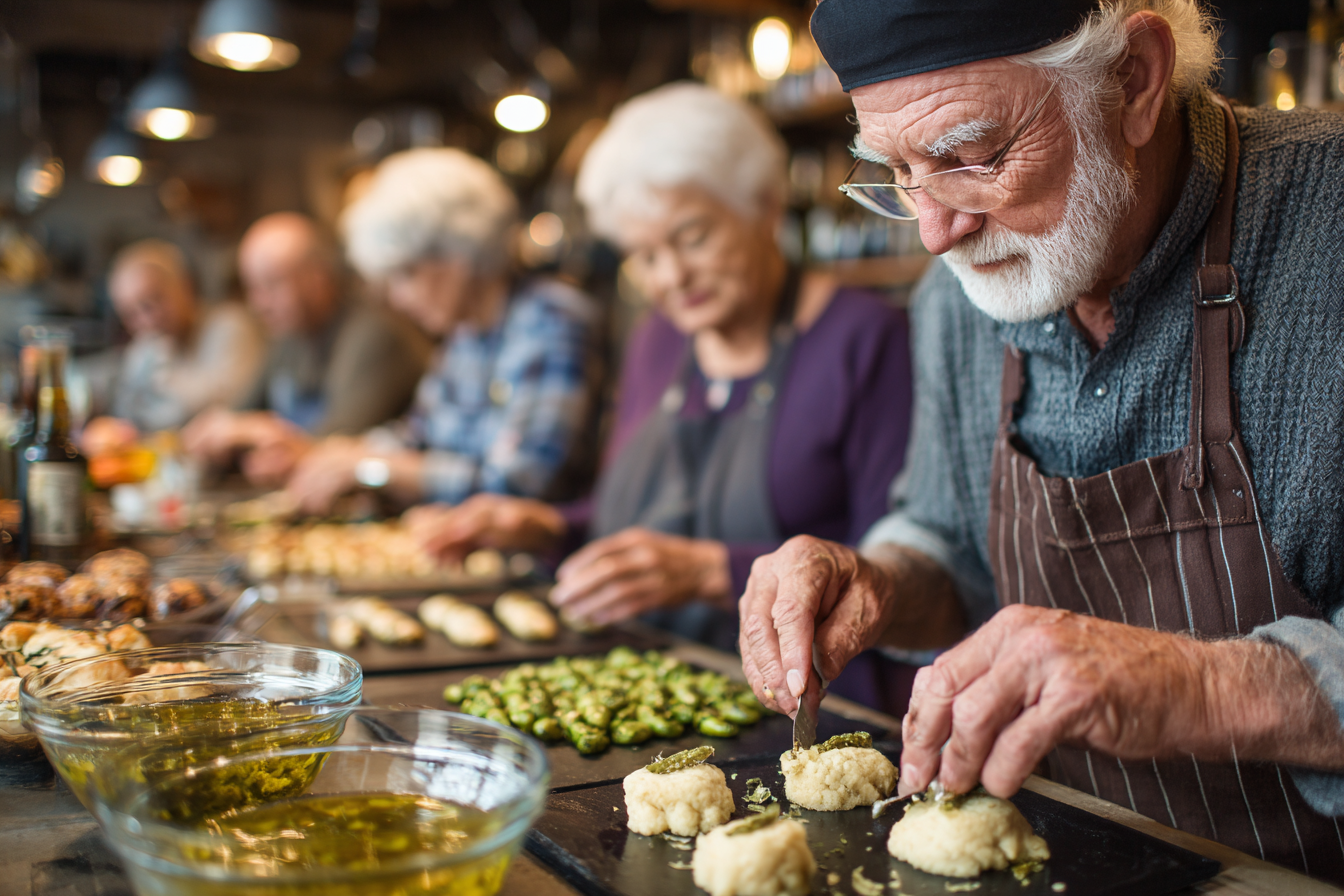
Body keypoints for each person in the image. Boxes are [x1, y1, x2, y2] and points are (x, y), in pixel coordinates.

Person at [737, 0, 1344, 881]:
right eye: (902, 175)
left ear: (1134, 78)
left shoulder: (1327, 227)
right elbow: (946, 537)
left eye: (970, 159)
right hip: (1058, 861)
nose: (939, 233)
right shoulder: (958, 298)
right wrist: (879, 581)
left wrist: (1200, 685)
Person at [406, 84, 914, 698]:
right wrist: (545, 527)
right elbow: (639, 515)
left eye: (693, 236)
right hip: (661, 677)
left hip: (811, 700)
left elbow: (897, 574)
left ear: (766, 206)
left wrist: (707, 572)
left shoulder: (866, 340)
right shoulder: (658, 340)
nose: (671, 277)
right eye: (643, 256)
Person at [282, 148, 601, 515]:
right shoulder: (464, 337)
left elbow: (523, 482)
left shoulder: (552, 322)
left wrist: (373, 469)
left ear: (459, 255)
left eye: (406, 274)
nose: (397, 298)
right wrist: (334, 456)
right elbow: (417, 436)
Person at [181, 212, 431, 484]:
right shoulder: (288, 339)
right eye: (252, 288)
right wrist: (225, 433)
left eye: (271, 285)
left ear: (318, 277)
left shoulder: (376, 333)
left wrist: (256, 432)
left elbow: (337, 441)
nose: (258, 303)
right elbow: (239, 414)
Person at [88, 239, 264, 444]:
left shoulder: (231, 326)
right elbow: (128, 415)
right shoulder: (146, 347)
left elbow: (227, 410)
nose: (146, 320)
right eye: (130, 314)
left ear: (185, 285)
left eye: (153, 301)